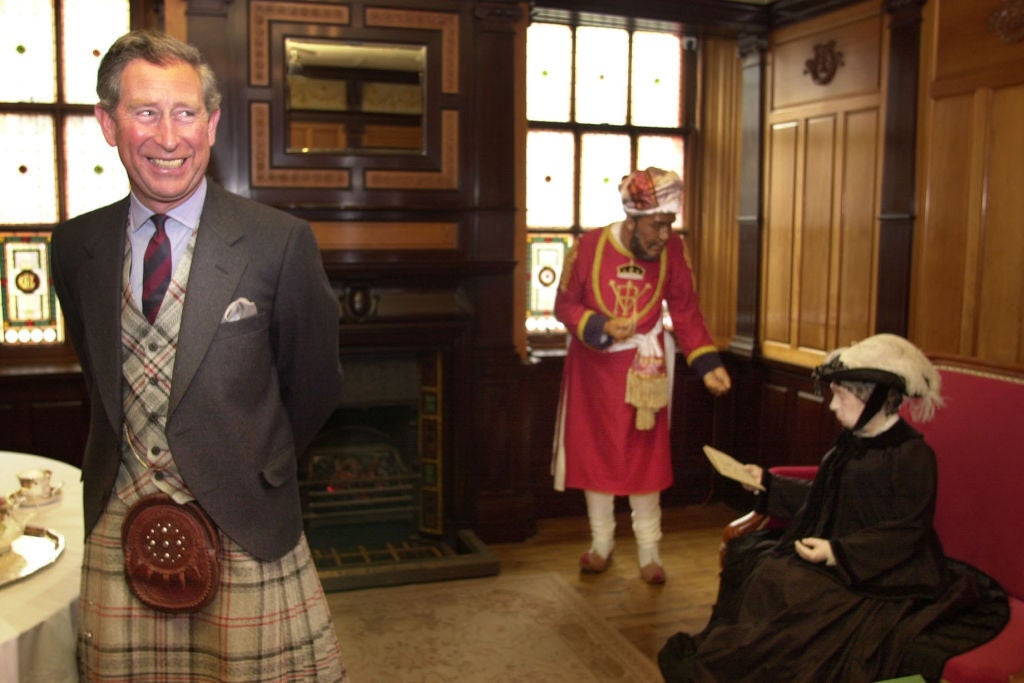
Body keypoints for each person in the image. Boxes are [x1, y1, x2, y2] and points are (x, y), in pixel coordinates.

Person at [51, 30, 347, 681]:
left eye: (185, 112)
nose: (168, 136)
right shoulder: (74, 248)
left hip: (249, 529)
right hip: (118, 526)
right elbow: (98, 378)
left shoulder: (279, 243)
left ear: (211, 124)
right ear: (108, 122)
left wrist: (251, 460)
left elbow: (316, 384)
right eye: (145, 111)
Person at [658, 333, 1007, 682]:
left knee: (797, 591)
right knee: (758, 562)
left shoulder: (913, 456)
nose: (832, 406)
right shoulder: (851, 443)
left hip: (885, 572)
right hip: (843, 556)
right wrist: (767, 483)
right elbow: (826, 497)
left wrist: (837, 551)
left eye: (841, 396)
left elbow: (907, 531)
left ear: (874, 400)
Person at [551, 167, 731, 585]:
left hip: (646, 371)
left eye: (669, 225)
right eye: (656, 225)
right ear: (631, 219)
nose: (664, 235)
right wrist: (601, 325)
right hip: (594, 369)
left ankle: (650, 550)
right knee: (596, 454)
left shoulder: (673, 252)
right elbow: (565, 306)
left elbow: (685, 310)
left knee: (644, 458)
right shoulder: (588, 247)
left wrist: (708, 364)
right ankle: (601, 544)